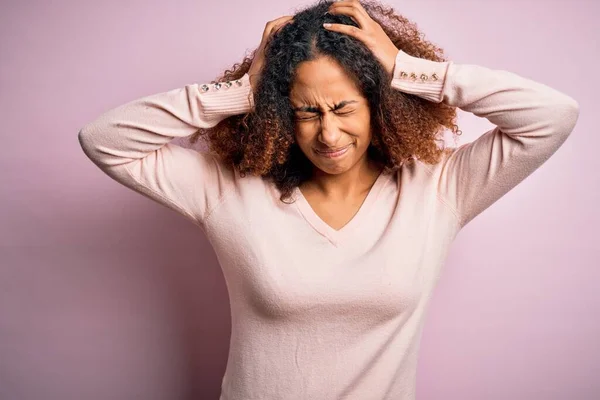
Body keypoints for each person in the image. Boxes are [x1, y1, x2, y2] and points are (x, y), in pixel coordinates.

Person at [78, 0, 579, 398]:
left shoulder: (438, 190)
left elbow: (552, 116)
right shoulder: (226, 189)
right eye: (306, 112)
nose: (328, 132)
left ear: (379, 103)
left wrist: (406, 69)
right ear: (279, 113)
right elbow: (104, 141)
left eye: (343, 107)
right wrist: (240, 91)